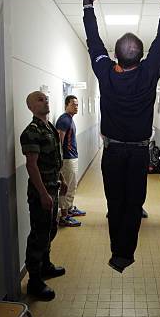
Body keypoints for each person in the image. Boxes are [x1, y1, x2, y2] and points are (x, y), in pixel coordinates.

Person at [81, 0, 160, 272]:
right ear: (142, 56)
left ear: (116, 57)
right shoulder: (148, 74)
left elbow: (94, 42)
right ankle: (125, 254)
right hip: (137, 154)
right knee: (134, 204)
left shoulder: (105, 72)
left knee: (115, 202)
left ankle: (116, 252)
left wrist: (88, 4)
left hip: (111, 152)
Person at [20, 91, 67, 300]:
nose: (45, 100)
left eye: (46, 98)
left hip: (53, 187)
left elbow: (54, 159)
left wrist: (62, 179)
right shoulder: (31, 132)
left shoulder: (49, 127)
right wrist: (43, 194)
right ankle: (34, 281)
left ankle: (46, 265)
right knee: (39, 235)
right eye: (40, 99)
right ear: (30, 106)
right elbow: (32, 165)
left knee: (51, 228)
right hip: (42, 192)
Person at [56, 95, 86, 227]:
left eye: (77, 104)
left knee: (72, 186)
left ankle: (69, 209)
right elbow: (59, 142)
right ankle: (64, 216)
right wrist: (60, 161)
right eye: (73, 104)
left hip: (72, 158)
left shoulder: (70, 119)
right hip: (67, 160)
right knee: (66, 187)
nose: (76, 107)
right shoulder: (64, 120)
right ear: (66, 105)